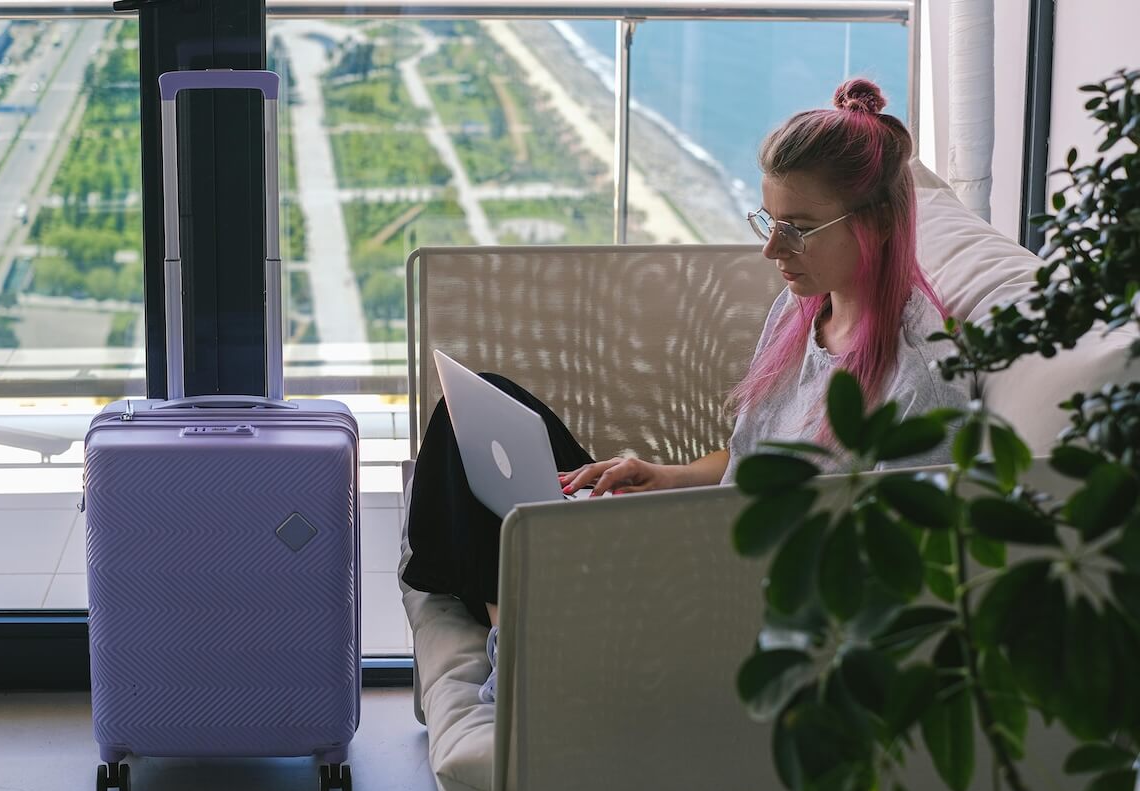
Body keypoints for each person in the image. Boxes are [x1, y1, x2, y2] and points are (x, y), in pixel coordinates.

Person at [401, 78, 972, 702]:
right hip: (700, 550)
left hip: (732, 603)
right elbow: (750, 458)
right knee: (473, 416)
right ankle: (515, 622)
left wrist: (675, 560)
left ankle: (521, 636)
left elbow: (897, 578)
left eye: (799, 229)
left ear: (881, 222)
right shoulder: (800, 308)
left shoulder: (920, 378)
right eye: (770, 221)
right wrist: (664, 479)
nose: (771, 250)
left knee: (485, 522)